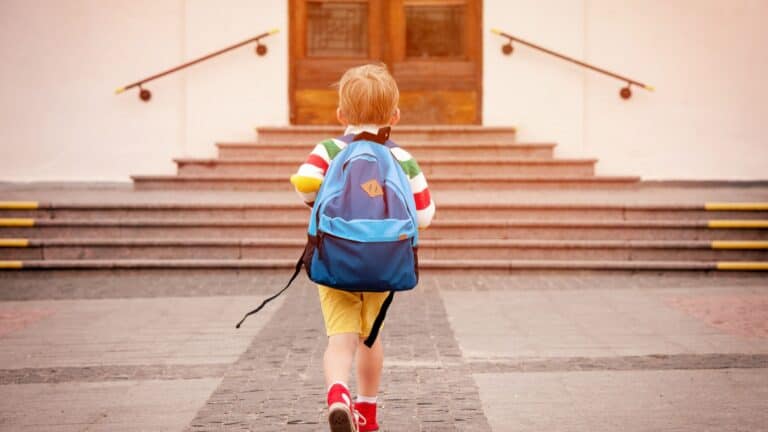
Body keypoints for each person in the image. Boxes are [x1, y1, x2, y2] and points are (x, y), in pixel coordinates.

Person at [289, 63, 435, 432]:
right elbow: (425, 215)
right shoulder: (402, 158)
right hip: (383, 261)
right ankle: (367, 414)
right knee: (370, 338)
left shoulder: (329, 149)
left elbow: (305, 183)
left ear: (341, 114)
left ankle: (338, 394)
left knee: (340, 340)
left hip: (335, 258)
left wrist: (320, 199)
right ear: (395, 116)